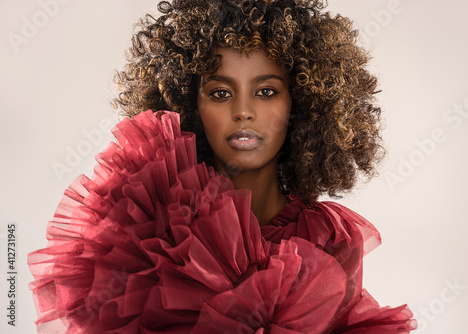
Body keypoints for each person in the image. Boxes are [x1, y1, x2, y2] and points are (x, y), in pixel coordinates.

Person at [28, 0, 417, 332]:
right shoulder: (148, 212)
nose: (243, 111)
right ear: (189, 103)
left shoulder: (328, 238)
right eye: (220, 93)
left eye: (266, 92)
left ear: (300, 103)